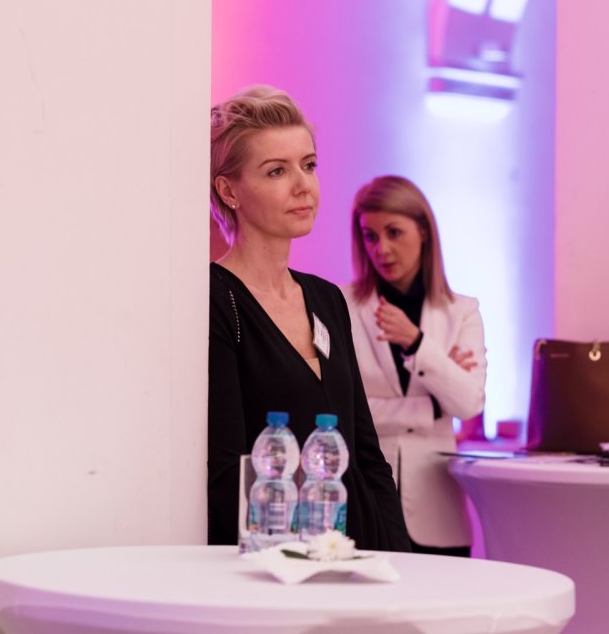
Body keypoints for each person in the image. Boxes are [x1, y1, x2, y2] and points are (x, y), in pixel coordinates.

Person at [208, 86, 409, 552]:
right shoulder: (217, 299)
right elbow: (224, 474)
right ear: (228, 190)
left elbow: (366, 455)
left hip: (356, 549)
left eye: (309, 165)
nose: (303, 185)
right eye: (277, 171)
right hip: (274, 561)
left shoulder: (326, 299)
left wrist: (402, 562)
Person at [342, 176, 487, 556]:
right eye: (370, 236)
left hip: (438, 514)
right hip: (365, 507)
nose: (381, 249)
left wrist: (418, 343)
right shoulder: (341, 306)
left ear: (423, 231)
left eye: (393, 232)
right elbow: (345, 412)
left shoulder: (462, 312)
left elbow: (470, 403)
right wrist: (434, 405)